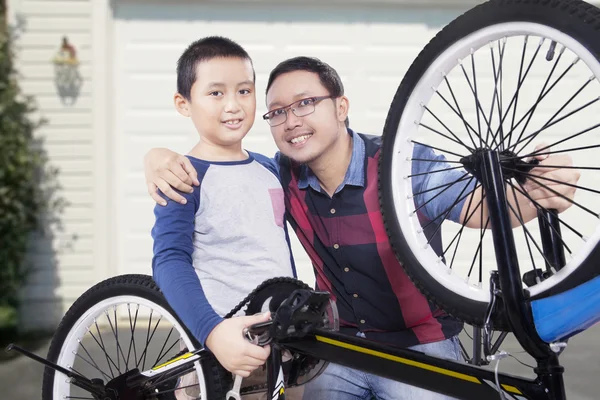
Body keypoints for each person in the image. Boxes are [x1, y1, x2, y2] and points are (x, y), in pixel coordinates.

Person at [145, 56, 579, 399]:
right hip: (336, 346)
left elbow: (476, 208)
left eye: (305, 103)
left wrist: (538, 193)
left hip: (421, 347)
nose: (291, 120)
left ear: (341, 106)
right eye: (277, 112)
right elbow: (223, 168)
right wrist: (158, 156)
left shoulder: (401, 163)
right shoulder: (281, 173)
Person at [150, 36, 303, 399]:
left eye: (244, 91)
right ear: (183, 104)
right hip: (220, 348)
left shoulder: (271, 168)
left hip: (280, 343)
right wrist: (214, 333)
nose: (233, 105)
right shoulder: (182, 175)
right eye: (216, 93)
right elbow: (169, 260)